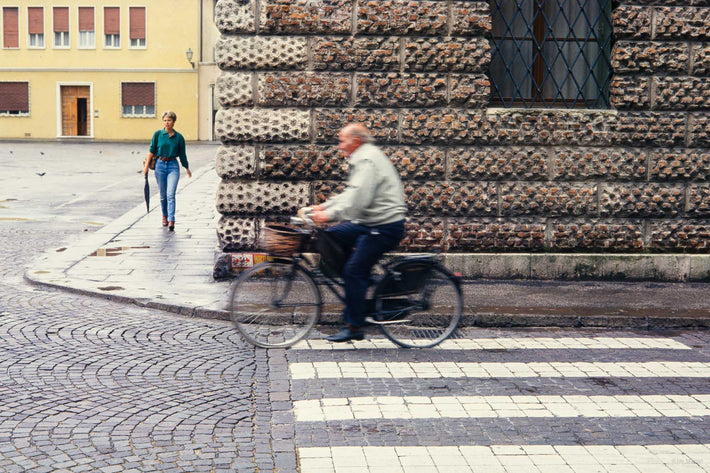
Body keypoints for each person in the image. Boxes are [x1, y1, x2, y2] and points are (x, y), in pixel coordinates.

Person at [303, 123, 407, 342]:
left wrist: (329, 215)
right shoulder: (363, 156)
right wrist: (324, 207)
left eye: (343, 141)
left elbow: (358, 200)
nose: (340, 146)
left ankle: (355, 327)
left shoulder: (366, 160)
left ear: (356, 141)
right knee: (332, 235)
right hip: (370, 221)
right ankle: (362, 282)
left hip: (384, 225)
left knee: (353, 271)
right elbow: (351, 193)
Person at [143, 111, 192, 231]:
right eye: (165, 120)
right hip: (160, 165)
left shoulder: (179, 137)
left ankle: (171, 220)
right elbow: (151, 150)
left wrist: (187, 168)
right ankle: (164, 216)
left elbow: (182, 154)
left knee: (171, 194)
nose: (166, 123)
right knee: (163, 195)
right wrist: (146, 167)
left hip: (173, 166)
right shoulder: (158, 134)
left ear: (173, 122)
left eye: (169, 120)